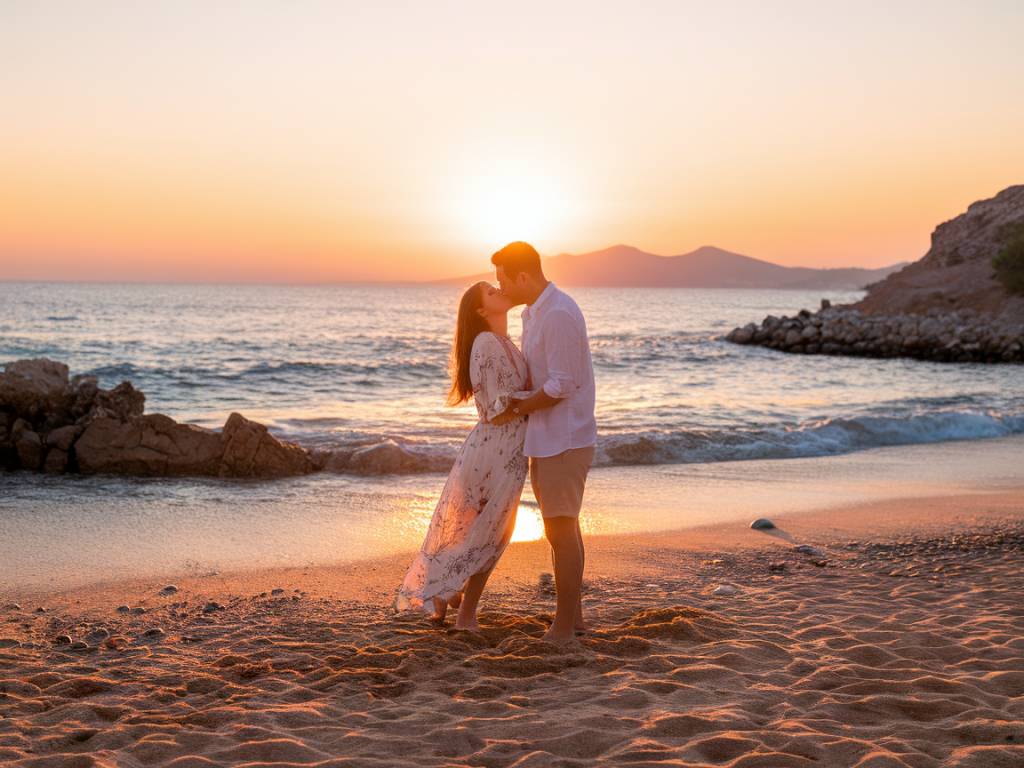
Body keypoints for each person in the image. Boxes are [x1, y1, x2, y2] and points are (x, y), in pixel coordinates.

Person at [395, 281, 530, 630]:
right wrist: (541, 399)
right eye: (489, 290)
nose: (498, 288)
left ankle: (445, 593)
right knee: (489, 533)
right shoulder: (485, 343)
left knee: (483, 532)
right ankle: (465, 613)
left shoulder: (506, 342)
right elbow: (493, 409)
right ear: (482, 311)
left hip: (508, 451)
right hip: (493, 452)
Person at [490, 241, 597, 645]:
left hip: (565, 439)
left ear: (523, 276)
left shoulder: (558, 314)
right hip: (548, 437)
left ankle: (565, 627)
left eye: (504, 279)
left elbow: (561, 384)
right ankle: (575, 618)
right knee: (562, 527)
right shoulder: (534, 313)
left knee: (562, 529)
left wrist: (515, 409)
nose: (501, 287)